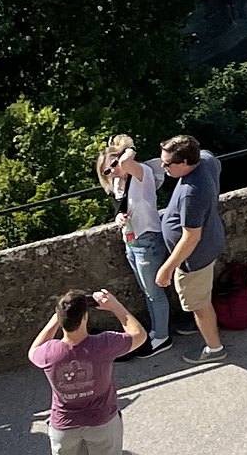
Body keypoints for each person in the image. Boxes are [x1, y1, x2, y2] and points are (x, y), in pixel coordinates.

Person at [29, 289, 146, 454]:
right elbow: (139, 335)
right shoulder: (104, 344)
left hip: (64, 426)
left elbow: (33, 350)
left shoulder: (49, 353)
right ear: (85, 318)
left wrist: (56, 319)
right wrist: (115, 306)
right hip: (102, 421)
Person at [153, 135, 226, 362]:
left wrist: (167, 269)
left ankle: (215, 349)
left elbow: (191, 237)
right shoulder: (206, 159)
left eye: (167, 164)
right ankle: (200, 324)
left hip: (195, 258)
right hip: (212, 241)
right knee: (201, 297)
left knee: (199, 303)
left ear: (185, 163)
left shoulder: (191, 192)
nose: (163, 168)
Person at [95, 138, 170, 354]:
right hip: (131, 241)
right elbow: (124, 207)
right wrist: (118, 217)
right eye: (106, 171)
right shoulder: (118, 184)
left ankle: (162, 337)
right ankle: (156, 331)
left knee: (155, 292)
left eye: (114, 165)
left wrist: (125, 150)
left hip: (148, 240)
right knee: (147, 292)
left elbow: (128, 159)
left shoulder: (141, 173)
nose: (113, 171)